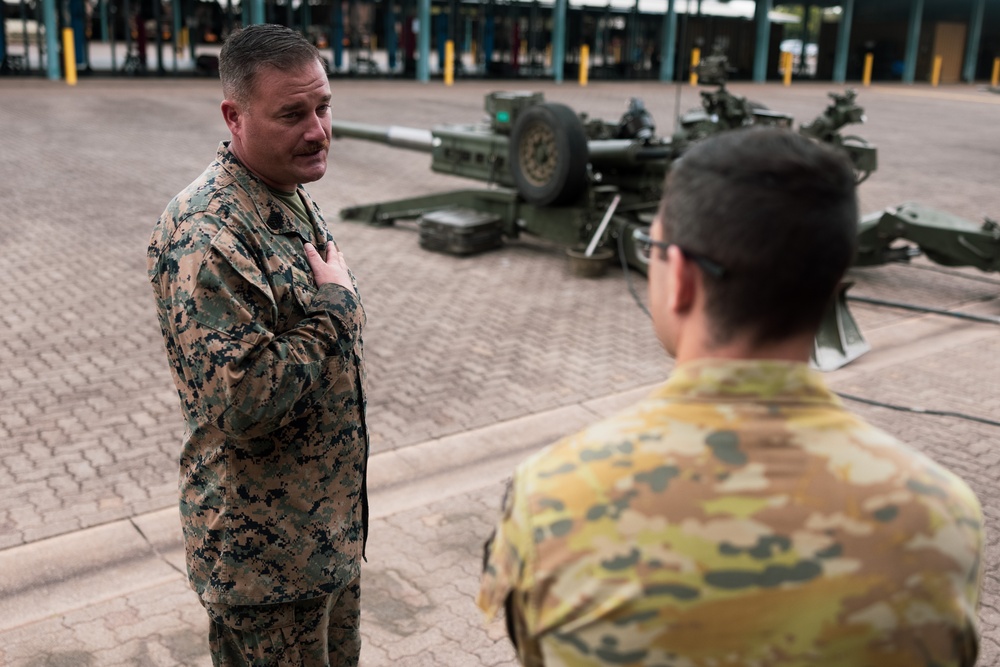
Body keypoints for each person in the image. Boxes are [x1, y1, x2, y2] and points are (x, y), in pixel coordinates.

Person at [477, 128, 984, 667]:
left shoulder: (552, 498)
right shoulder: (944, 516)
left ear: (683, 282)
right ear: (834, 285)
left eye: (655, 250)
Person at [147, 24, 368, 667]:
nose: (318, 130)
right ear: (234, 117)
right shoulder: (208, 232)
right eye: (293, 114)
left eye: (323, 107)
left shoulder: (284, 191)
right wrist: (334, 308)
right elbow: (240, 401)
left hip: (323, 541)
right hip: (266, 565)